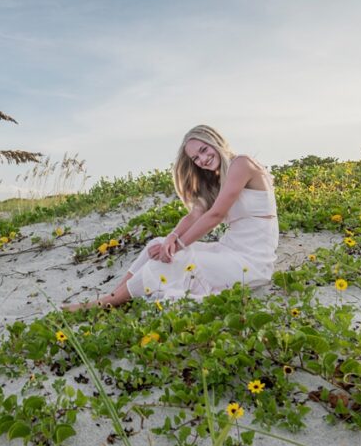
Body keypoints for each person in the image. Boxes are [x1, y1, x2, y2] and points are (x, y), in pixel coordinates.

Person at [65, 125, 279, 311]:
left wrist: (177, 245)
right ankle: (115, 295)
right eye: (195, 158)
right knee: (157, 244)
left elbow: (215, 215)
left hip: (251, 262)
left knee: (174, 258)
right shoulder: (217, 179)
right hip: (229, 250)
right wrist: (171, 238)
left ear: (215, 141)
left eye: (204, 150)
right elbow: (195, 215)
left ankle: (108, 302)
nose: (202, 159)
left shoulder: (242, 163)